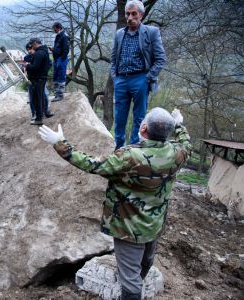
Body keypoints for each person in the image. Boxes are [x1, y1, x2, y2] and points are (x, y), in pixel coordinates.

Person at [38, 107, 191, 300]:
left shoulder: (129, 156)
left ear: (143, 129)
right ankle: (138, 281)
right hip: (155, 225)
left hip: (129, 228)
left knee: (130, 281)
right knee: (145, 263)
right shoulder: (178, 153)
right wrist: (178, 125)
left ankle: (133, 291)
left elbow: (92, 164)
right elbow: (186, 142)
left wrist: (59, 143)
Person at [110, 0, 166, 150]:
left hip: (140, 79)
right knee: (119, 118)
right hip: (121, 79)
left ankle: (135, 150)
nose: (130, 17)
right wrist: (115, 77)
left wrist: (147, 78)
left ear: (141, 15)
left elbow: (161, 59)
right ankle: (119, 150)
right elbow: (113, 58)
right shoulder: (119, 34)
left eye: (134, 13)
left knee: (139, 119)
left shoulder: (151, 32)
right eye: (127, 14)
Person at [24, 38, 53, 125]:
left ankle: (39, 119)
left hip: (38, 79)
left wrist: (27, 66)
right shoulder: (44, 52)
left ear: (36, 43)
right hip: (42, 78)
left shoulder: (39, 53)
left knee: (37, 99)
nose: (32, 47)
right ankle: (45, 113)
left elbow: (35, 68)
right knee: (41, 97)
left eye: (32, 45)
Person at [50, 22, 70, 102]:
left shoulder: (64, 37)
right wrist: (53, 50)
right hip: (57, 59)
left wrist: (61, 60)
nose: (54, 30)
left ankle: (60, 95)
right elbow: (58, 48)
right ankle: (56, 94)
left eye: (54, 29)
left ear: (58, 28)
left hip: (61, 59)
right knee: (56, 76)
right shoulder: (58, 36)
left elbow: (65, 50)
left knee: (61, 76)